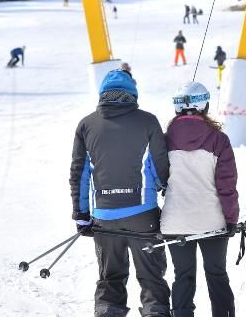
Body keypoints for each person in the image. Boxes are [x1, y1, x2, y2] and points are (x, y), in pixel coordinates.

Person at [68, 69, 171, 317]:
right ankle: (156, 312)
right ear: (132, 93)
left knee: (110, 278)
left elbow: (79, 174)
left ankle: (107, 311)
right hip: (143, 216)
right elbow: (160, 167)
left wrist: (81, 215)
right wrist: (163, 186)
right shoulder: (148, 121)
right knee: (151, 277)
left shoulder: (86, 125)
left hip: (105, 218)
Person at [160, 81, 239, 317]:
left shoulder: (163, 140)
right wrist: (231, 219)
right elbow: (227, 185)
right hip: (212, 221)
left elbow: (157, 177)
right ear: (204, 105)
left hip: (175, 222)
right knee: (216, 274)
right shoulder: (219, 140)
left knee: (183, 275)